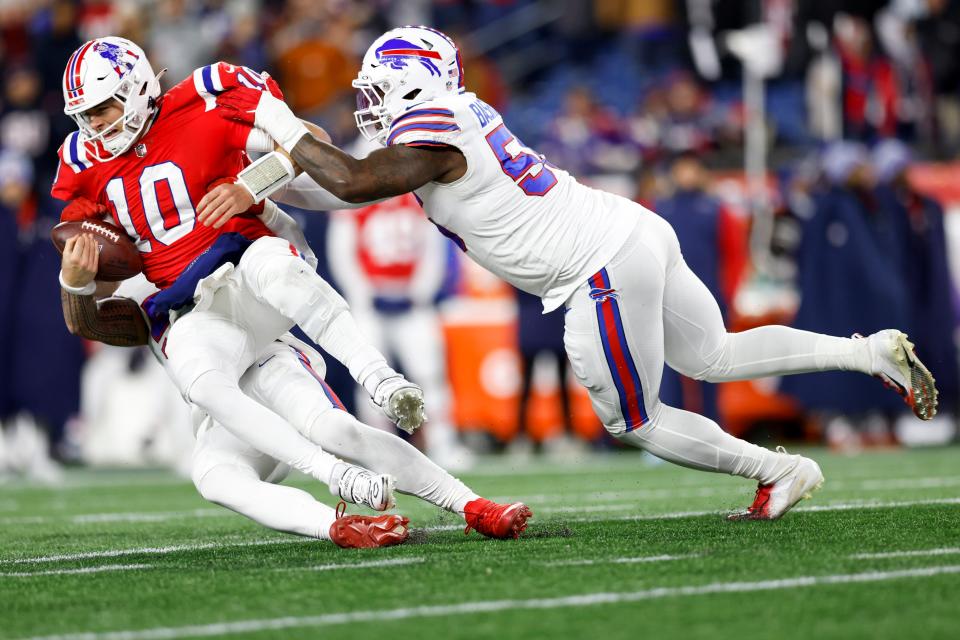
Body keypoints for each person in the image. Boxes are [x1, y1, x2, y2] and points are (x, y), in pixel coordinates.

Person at [205, 26, 938, 521]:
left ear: (412, 80)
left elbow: (357, 181)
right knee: (712, 356)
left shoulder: (437, 125)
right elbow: (343, 183)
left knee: (636, 419)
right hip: (629, 230)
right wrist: (263, 173)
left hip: (597, 266)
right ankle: (865, 351)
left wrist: (275, 118)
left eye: (379, 81)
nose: (368, 96)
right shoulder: (450, 118)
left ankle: (777, 471)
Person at [50, 37, 425, 517]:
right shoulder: (83, 160)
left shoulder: (201, 102)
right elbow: (103, 288)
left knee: (319, 222)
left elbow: (310, 142)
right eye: (84, 114)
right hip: (185, 305)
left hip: (248, 258)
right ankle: (333, 504)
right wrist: (77, 278)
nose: (94, 124)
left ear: (138, 87)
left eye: (103, 107)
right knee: (209, 453)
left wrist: (251, 185)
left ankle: (377, 382)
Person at [59, 195, 532, 544]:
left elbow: (291, 257)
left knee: (336, 430)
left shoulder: (196, 241)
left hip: (271, 363)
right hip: (228, 413)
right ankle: (339, 526)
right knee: (213, 475)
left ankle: (471, 505)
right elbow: (88, 323)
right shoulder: (137, 297)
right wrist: (73, 284)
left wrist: (263, 206)